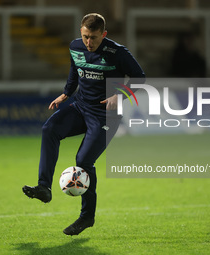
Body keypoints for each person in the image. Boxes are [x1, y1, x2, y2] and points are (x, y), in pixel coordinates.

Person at [22, 13, 145, 236]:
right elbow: (75, 69)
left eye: (94, 38)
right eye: (85, 36)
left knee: (83, 160)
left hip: (106, 115)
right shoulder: (75, 47)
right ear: (80, 32)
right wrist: (66, 93)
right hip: (80, 107)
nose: (89, 42)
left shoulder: (117, 52)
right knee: (49, 129)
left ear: (104, 34)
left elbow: (139, 77)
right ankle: (44, 187)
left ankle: (87, 216)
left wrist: (120, 95)